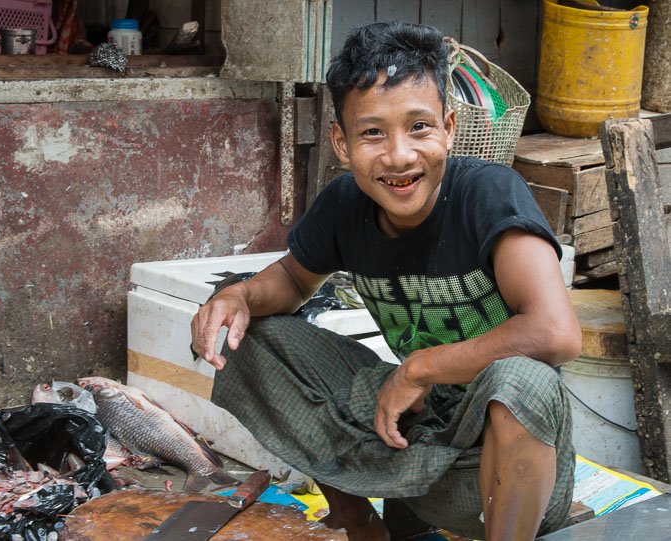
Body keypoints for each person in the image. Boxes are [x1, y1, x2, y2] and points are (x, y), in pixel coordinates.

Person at [191, 20, 581, 541]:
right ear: (342, 143)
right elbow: (291, 277)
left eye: (419, 127)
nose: (398, 155)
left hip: (504, 468)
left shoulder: (489, 193)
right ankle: (358, 522)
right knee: (254, 335)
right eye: (373, 132)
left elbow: (556, 334)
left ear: (448, 126)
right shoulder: (344, 206)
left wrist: (421, 367)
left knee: (522, 378)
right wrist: (237, 296)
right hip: (410, 438)